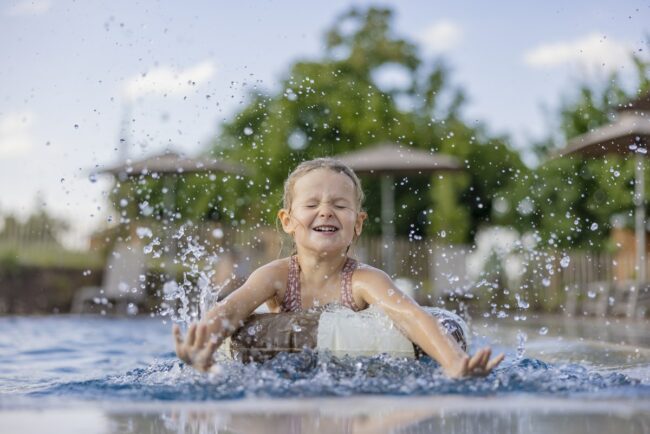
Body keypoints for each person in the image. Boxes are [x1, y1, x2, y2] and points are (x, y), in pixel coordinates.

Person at [173, 158, 504, 378]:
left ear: (357, 224)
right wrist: (204, 344)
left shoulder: (363, 280)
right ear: (288, 221)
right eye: (312, 204)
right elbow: (231, 308)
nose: (326, 212)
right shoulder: (275, 277)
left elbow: (410, 315)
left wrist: (454, 363)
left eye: (340, 205)